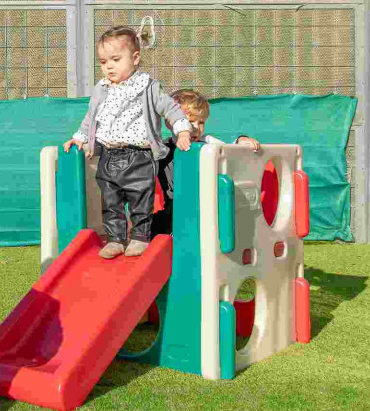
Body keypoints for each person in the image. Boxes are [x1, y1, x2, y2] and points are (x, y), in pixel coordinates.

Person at [64, 26, 192, 259]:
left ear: (135, 58)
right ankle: (115, 239)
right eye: (103, 62)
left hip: (139, 155)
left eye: (115, 59)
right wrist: (79, 138)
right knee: (110, 200)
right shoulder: (101, 89)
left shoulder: (147, 87)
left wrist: (182, 130)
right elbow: (91, 118)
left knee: (140, 199)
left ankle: (140, 238)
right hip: (109, 154)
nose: (109, 66)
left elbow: (170, 109)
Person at [152, 89, 262, 236]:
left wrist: (241, 140)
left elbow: (229, 151)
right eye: (190, 122)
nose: (197, 128)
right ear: (170, 123)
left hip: (202, 208)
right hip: (171, 211)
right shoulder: (162, 150)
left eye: (201, 122)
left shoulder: (207, 142)